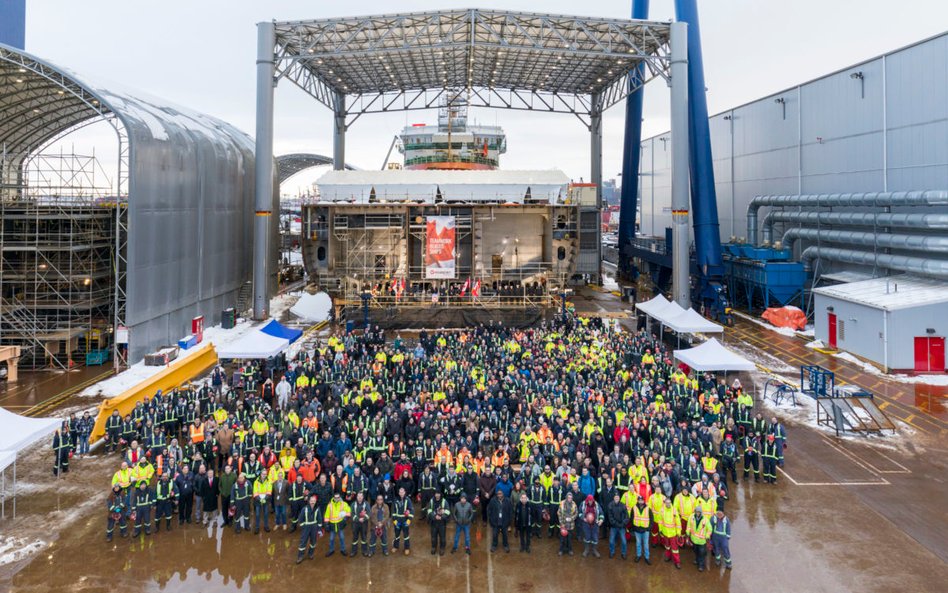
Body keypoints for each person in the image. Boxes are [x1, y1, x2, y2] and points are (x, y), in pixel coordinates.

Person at [296, 494, 322, 563]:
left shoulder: (317, 509)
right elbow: (300, 519)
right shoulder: (305, 509)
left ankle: (310, 554)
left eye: (314, 501)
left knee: (313, 542)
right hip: (306, 527)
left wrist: (319, 529)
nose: (312, 502)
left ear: (315, 501)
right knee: (303, 542)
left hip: (314, 527)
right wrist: (303, 526)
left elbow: (319, 519)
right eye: (311, 501)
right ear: (309, 501)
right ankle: (300, 556)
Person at [324, 492, 351, 556]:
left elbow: (349, 512)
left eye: (338, 497)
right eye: (335, 497)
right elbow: (326, 515)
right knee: (331, 538)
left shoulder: (343, 504)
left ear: (340, 497)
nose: (336, 499)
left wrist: (344, 516)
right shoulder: (329, 505)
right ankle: (331, 550)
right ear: (333, 497)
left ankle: (343, 549)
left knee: (342, 537)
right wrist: (326, 524)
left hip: (340, 524)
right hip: (332, 525)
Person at [659, 497, 682, 569]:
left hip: (673, 533)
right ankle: (668, 556)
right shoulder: (662, 510)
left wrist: (678, 532)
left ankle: (677, 562)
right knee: (667, 546)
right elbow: (660, 521)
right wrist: (660, 530)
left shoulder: (674, 511)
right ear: (664, 503)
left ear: (671, 503)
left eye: (669, 503)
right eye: (666, 503)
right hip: (665, 533)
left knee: (675, 549)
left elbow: (678, 522)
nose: (668, 504)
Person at [487, 488, 512, 553]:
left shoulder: (508, 501)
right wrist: (491, 520)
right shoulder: (493, 500)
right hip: (495, 522)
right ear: (496, 494)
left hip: (505, 522)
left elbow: (510, 511)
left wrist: (509, 521)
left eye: (501, 493)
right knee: (495, 535)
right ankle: (494, 545)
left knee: (505, 535)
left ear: (503, 494)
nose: (499, 495)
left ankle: (506, 545)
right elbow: (489, 510)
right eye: (498, 494)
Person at [427, 490, 451, 555]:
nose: (437, 495)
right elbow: (429, 510)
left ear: (440, 494)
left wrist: (442, 517)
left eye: (438, 494)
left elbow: (448, 511)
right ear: (434, 494)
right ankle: (433, 547)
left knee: (442, 537)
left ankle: (442, 548)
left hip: (442, 523)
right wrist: (434, 516)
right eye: (436, 494)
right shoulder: (431, 501)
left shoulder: (444, 501)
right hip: (433, 522)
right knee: (433, 537)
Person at [606, 492, 629, 559]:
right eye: (615, 497)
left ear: (619, 498)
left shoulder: (623, 505)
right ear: (614, 498)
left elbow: (627, 516)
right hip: (614, 527)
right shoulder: (610, 505)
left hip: (622, 526)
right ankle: (612, 552)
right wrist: (616, 524)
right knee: (611, 541)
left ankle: (623, 553)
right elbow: (610, 517)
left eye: (618, 497)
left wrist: (622, 524)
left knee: (624, 541)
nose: (616, 498)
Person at [392, 487, 413, 555]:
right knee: (397, 535)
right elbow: (393, 511)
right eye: (400, 492)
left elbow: (411, 511)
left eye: (402, 492)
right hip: (397, 520)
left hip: (405, 520)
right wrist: (394, 521)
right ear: (398, 493)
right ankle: (395, 546)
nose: (401, 493)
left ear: (404, 492)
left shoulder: (408, 500)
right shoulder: (395, 500)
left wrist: (409, 521)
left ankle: (407, 548)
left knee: (406, 535)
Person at [631, 495, 651, 564]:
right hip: (637, 529)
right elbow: (632, 518)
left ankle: (647, 557)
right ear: (637, 500)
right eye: (639, 500)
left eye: (641, 500)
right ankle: (638, 555)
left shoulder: (648, 508)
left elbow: (651, 519)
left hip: (645, 530)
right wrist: (633, 528)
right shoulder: (634, 508)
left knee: (646, 544)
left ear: (644, 501)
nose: (640, 501)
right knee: (638, 544)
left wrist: (649, 528)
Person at [558, 492, 578, 557]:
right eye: (568, 498)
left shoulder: (574, 504)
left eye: (571, 498)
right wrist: (561, 524)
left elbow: (576, 513)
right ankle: (561, 550)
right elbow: (559, 513)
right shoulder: (562, 503)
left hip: (570, 525)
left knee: (569, 539)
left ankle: (570, 550)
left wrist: (572, 518)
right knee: (562, 538)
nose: (570, 499)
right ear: (566, 497)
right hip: (563, 524)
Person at [350, 491, 370, 557]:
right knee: (354, 538)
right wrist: (358, 519)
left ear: (363, 497)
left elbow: (369, 514)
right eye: (358, 496)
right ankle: (353, 551)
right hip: (355, 524)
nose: (360, 498)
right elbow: (352, 514)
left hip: (364, 524)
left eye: (361, 496)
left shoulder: (366, 504)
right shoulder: (353, 504)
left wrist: (363, 519)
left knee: (364, 537)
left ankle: (364, 550)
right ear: (356, 497)